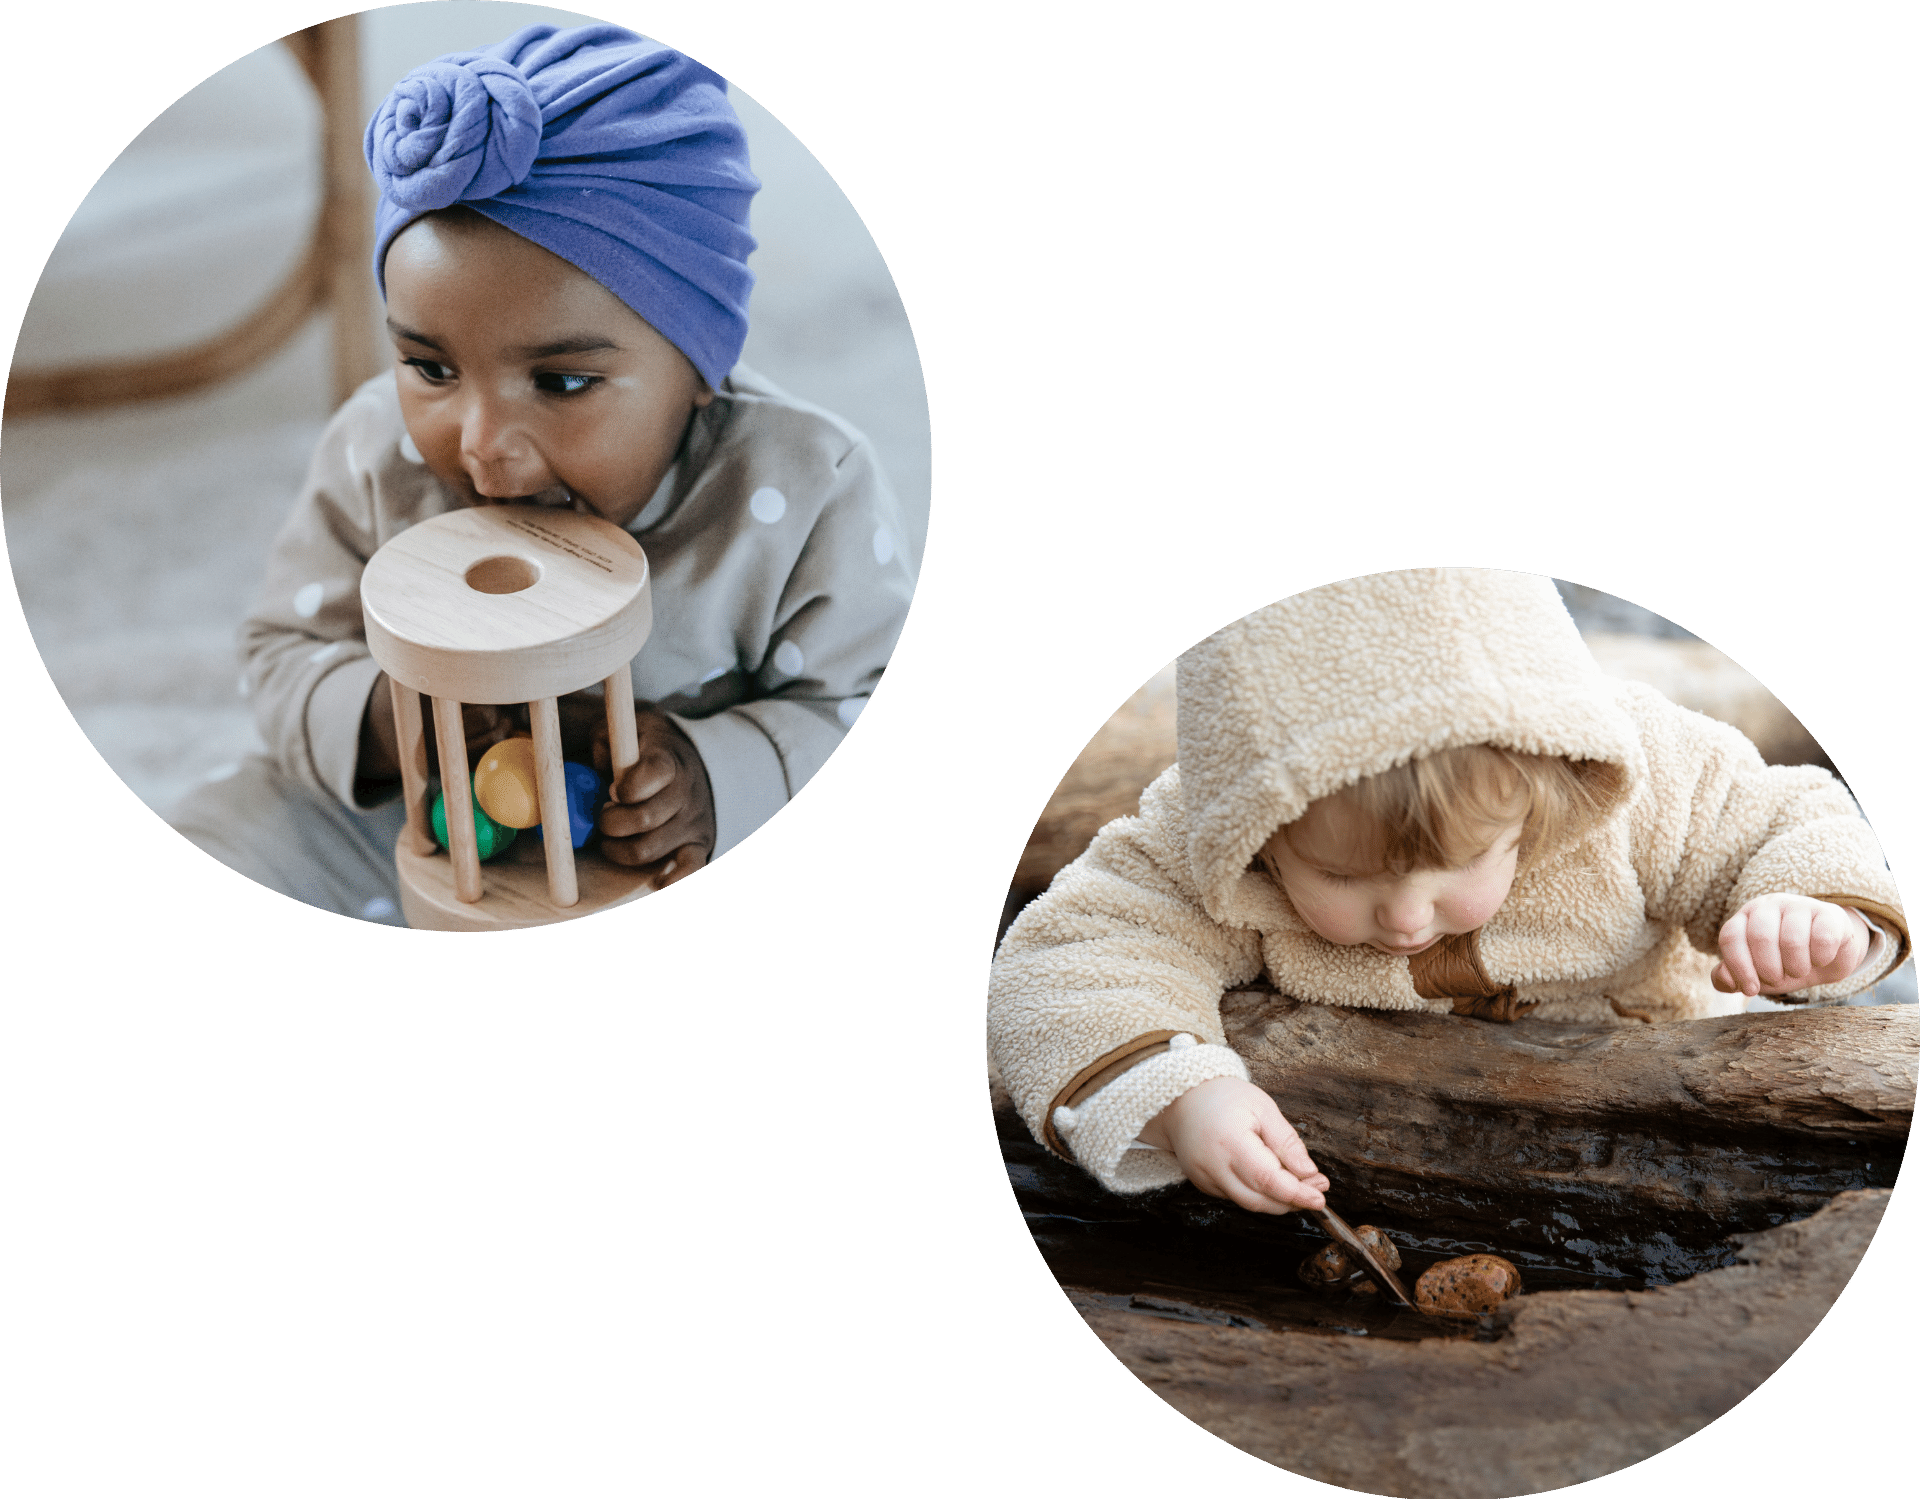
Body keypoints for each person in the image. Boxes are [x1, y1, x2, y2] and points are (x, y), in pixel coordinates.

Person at [170, 23, 914, 923]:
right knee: (225, 832)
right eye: (431, 368)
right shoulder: (378, 445)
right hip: (415, 833)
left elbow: (867, 705)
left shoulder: (802, 487)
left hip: (672, 861)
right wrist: (389, 721)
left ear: (701, 370)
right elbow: (279, 653)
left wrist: (721, 777)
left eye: (561, 382)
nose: (482, 444)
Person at [985, 569, 1906, 1215]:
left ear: (1541, 800)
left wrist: (1816, 915)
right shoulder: (1206, 834)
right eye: (1342, 877)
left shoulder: (1639, 772)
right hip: (1383, 1135)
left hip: (1660, 1114)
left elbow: (1791, 818)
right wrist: (1177, 1095)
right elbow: (1071, 956)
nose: (1407, 917)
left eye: (1466, 865)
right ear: (1261, 842)